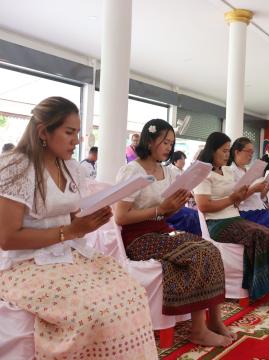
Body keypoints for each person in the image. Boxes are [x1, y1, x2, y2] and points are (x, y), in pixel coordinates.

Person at [0, 97, 157, 358]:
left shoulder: (71, 167)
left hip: (69, 254)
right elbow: (6, 238)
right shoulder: (16, 168)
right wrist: (70, 232)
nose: (77, 140)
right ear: (43, 132)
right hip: (26, 264)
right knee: (91, 311)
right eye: (69, 132)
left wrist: (89, 221)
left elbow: (72, 220)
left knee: (133, 294)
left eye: (77, 133)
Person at [115, 120, 233, 347]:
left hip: (161, 231)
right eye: (164, 142)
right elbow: (121, 217)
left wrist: (176, 203)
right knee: (199, 254)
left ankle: (215, 320)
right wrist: (161, 209)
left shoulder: (166, 171)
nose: (169, 147)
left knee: (209, 248)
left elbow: (168, 210)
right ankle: (198, 330)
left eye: (171, 142)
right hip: (138, 238)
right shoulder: (131, 170)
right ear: (150, 141)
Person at [194, 132, 269, 301]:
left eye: (228, 150)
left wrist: (248, 191)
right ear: (212, 150)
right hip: (216, 222)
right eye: (224, 151)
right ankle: (257, 286)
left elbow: (236, 199)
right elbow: (203, 206)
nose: (227, 155)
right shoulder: (203, 173)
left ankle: (268, 283)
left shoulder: (226, 171)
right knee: (258, 235)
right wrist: (232, 199)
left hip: (234, 217)